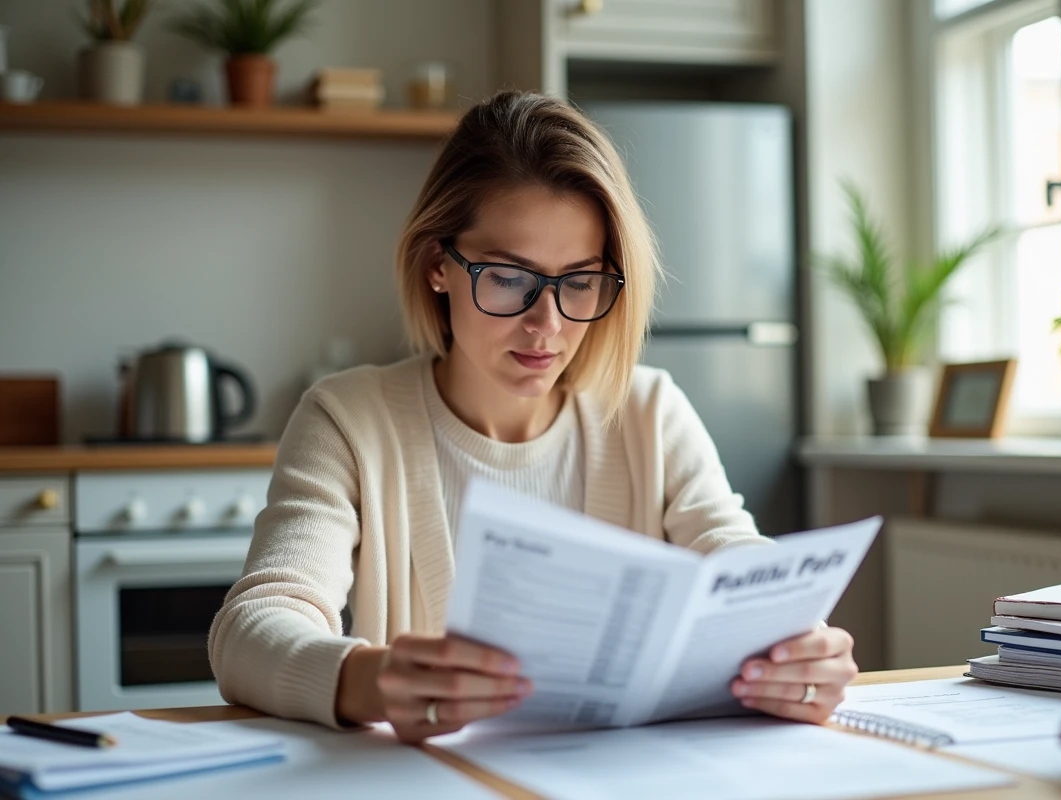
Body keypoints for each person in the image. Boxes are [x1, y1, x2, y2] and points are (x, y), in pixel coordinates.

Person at [209, 90, 857, 744]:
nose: (546, 324)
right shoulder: (349, 420)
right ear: (438, 266)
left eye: (579, 281)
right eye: (510, 278)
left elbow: (737, 562)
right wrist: (369, 679)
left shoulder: (649, 412)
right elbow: (252, 629)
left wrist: (796, 645)